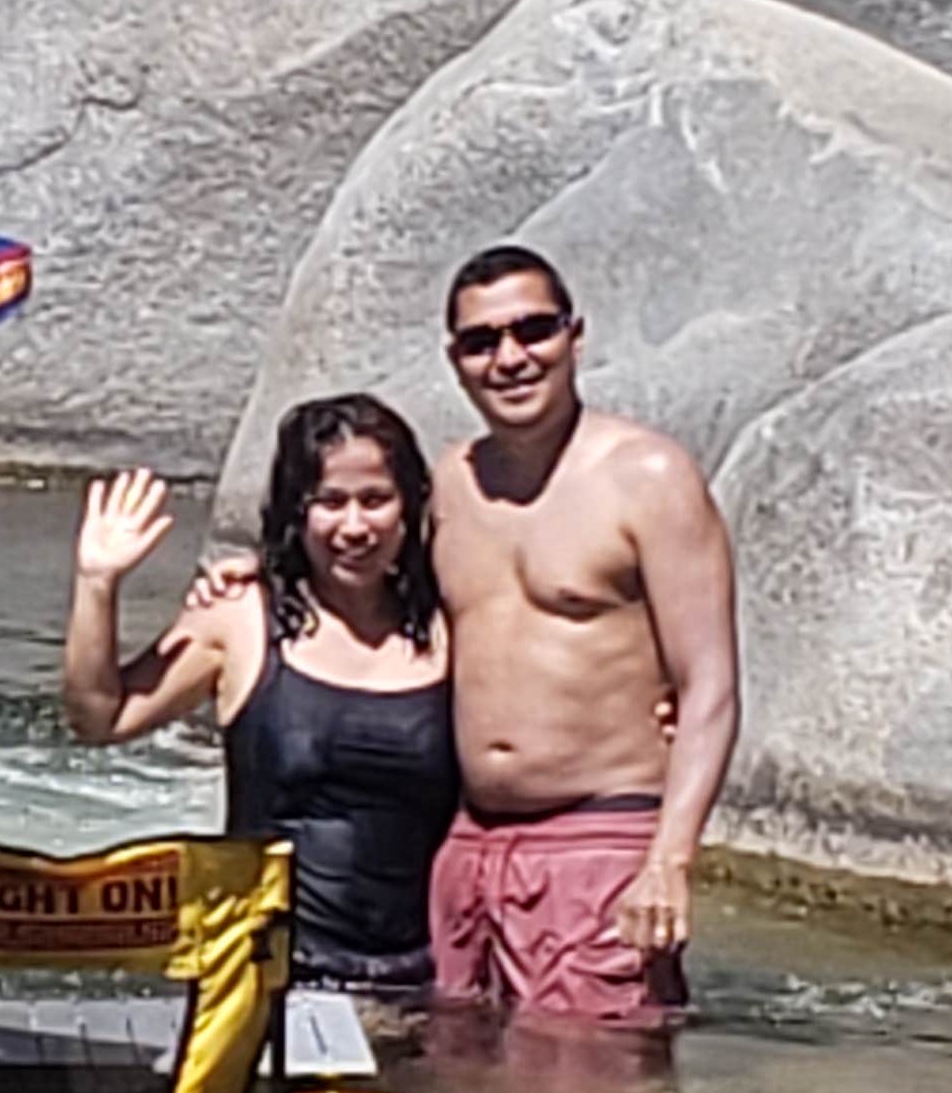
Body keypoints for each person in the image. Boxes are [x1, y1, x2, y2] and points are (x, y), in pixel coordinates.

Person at [426, 244, 739, 1033]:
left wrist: (669, 861)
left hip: (600, 843)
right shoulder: (448, 484)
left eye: (534, 330)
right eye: (482, 341)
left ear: (575, 336)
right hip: (466, 845)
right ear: (455, 360)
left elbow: (710, 687)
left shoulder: (649, 477)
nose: (511, 357)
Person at [63, 394, 459, 985]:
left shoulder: (450, 624)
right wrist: (98, 582)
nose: (354, 526)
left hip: (421, 975)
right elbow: (101, 718)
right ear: (297, 510)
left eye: (375, 500)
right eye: (330, 501)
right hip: (266, 970)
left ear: (408, 505)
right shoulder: (239, 615)